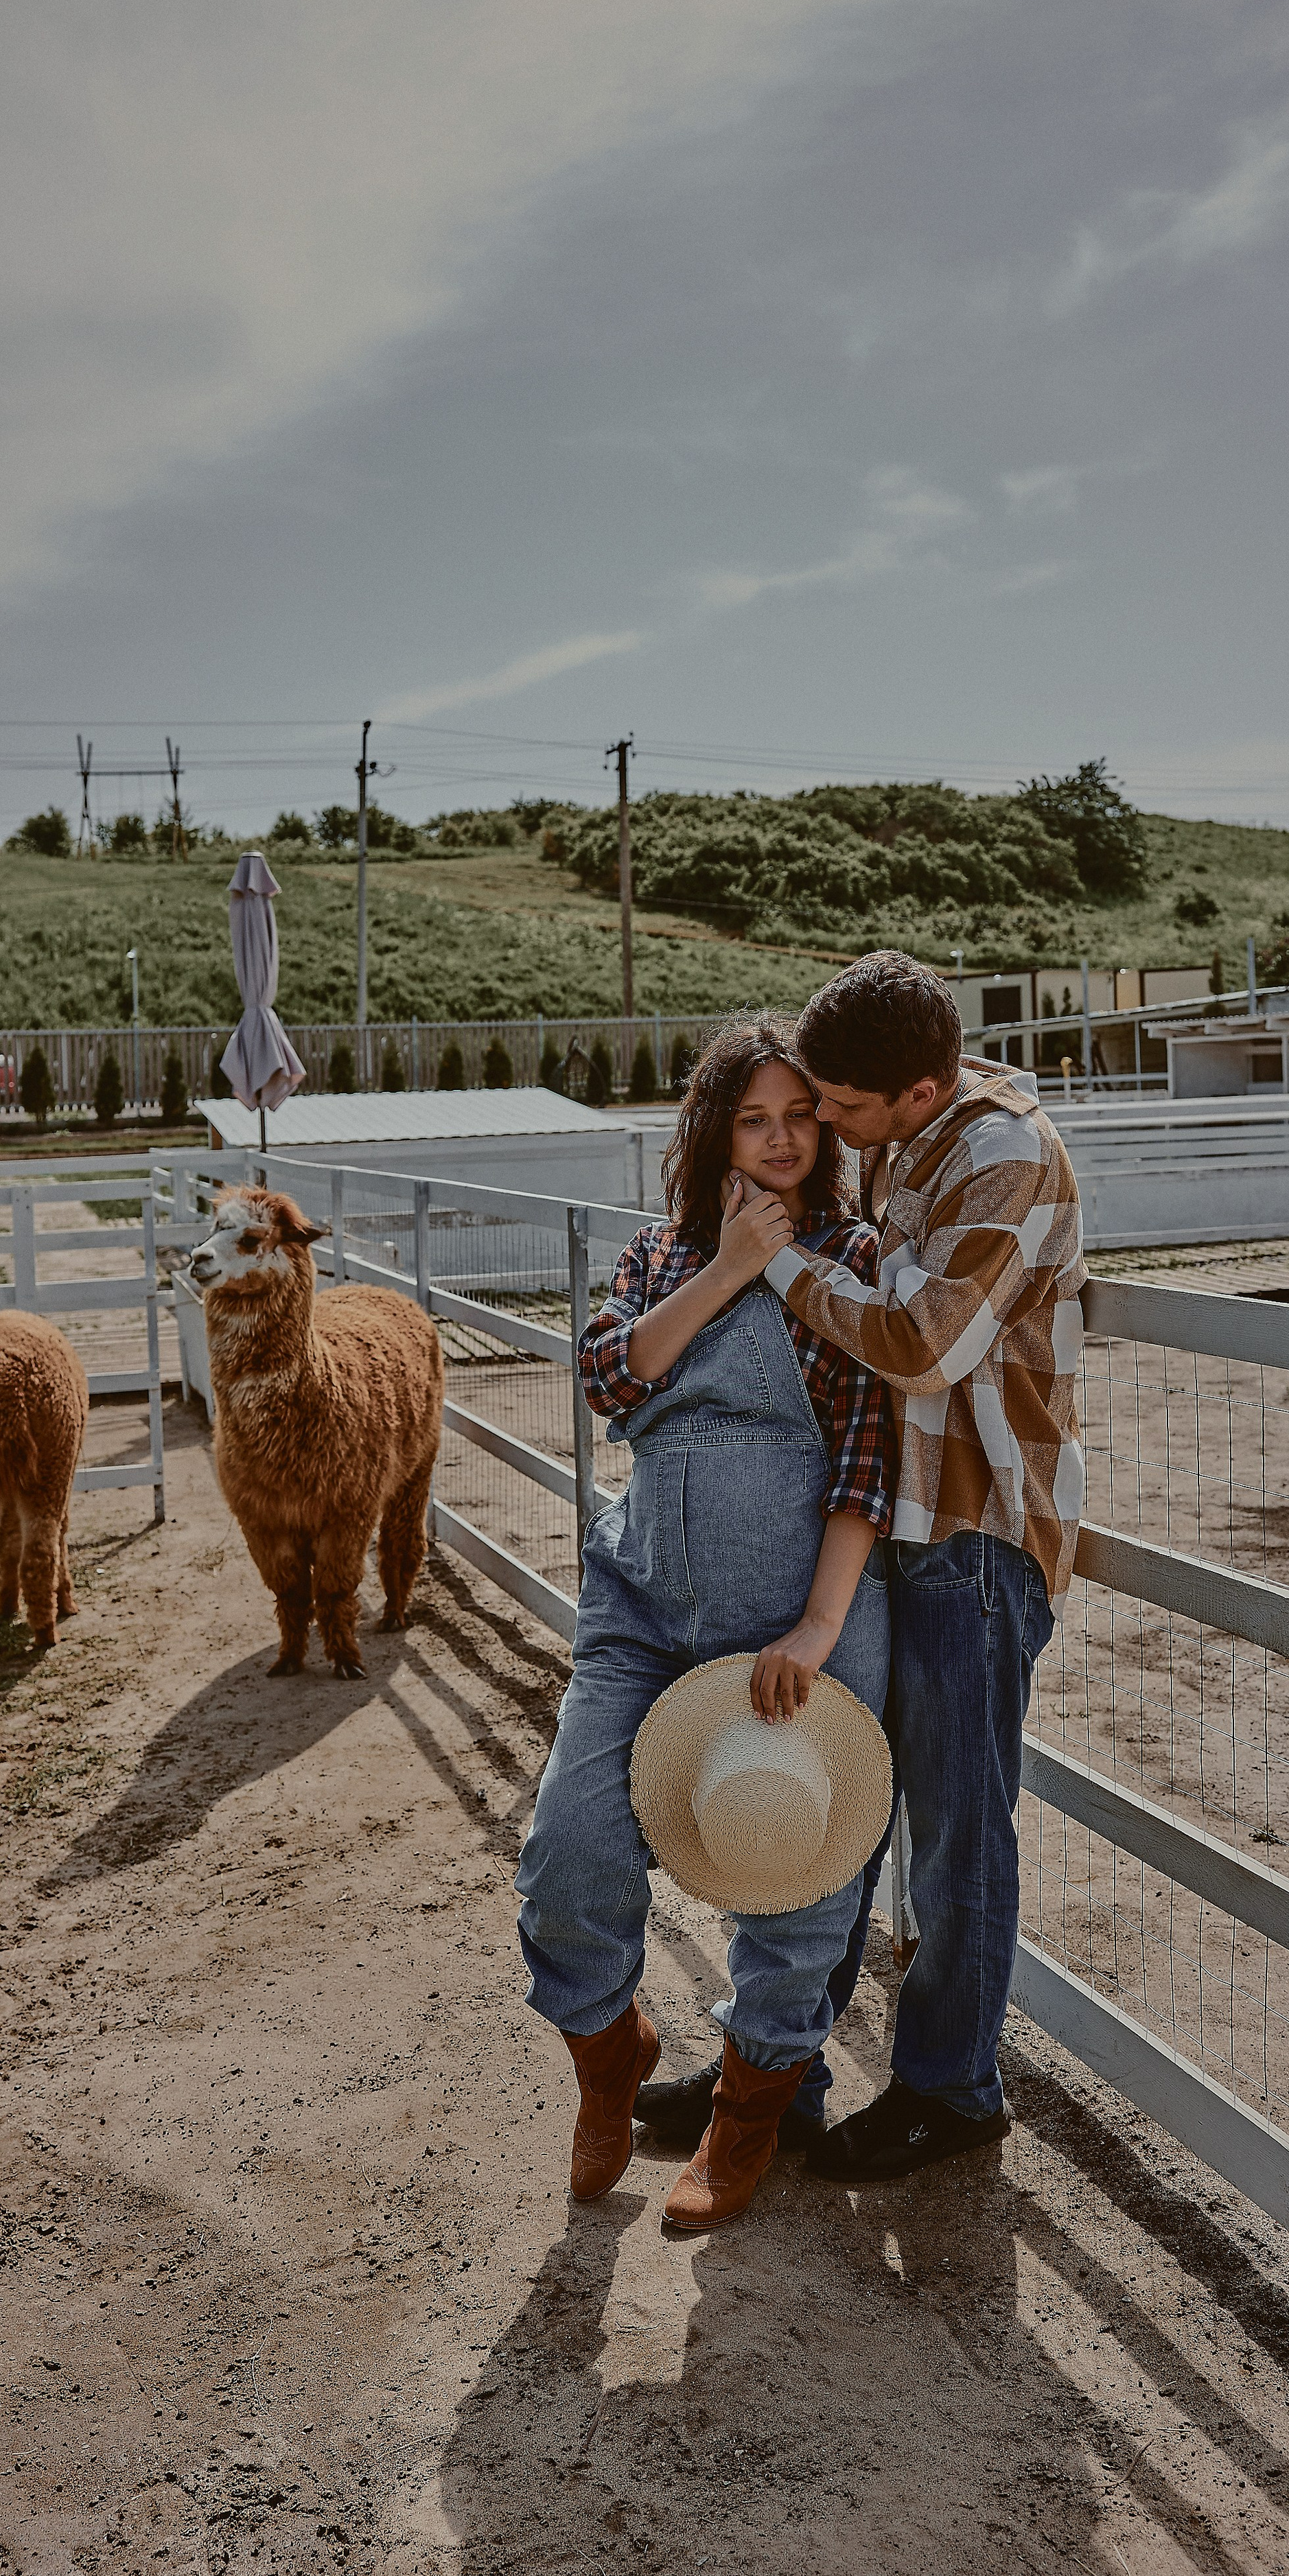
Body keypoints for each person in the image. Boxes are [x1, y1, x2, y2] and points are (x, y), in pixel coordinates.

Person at [515, 1015, 896, 2229]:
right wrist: (730, 1265)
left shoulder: (852, 1253)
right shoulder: (662, 1250)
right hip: (643, 1603)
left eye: (799, 1118)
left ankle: (747, 2118)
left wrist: (821, 1625)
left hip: (792, 1617)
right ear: (715, 1131)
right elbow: (608, 1378)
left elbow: (869, 1457)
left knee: (793, 1875)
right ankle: (607, 2053)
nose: (781, 1140)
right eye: (753, 1119)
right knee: (569, 1846)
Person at [727, 950, 1086, 2182]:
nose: (825, 1123)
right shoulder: (909, 1137)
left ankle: (951, 2088)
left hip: (975, 1532)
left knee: (957, 1829)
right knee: (847, 1803)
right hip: (903, 1521)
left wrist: (778, 1264)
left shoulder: (1004, 1155)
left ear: (918, 1092)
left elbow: (922, 1343)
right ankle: (779, 2067)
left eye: (842, 1105)